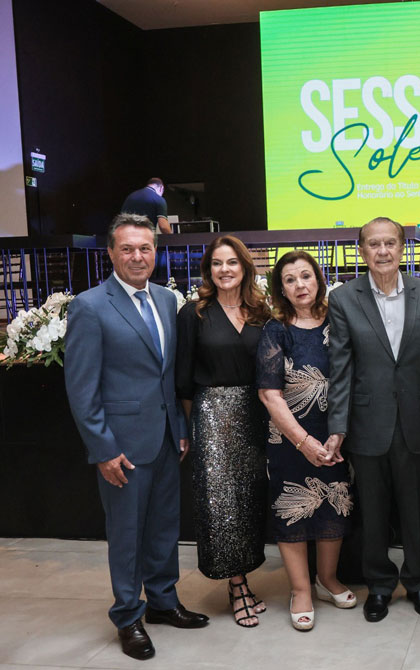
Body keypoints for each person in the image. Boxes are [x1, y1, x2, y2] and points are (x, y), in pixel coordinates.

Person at [64, 213, 208, 661]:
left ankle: (163, 602)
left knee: (164, 527)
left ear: (155, 251)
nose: (137, 256)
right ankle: (128, 615)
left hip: (165, 438)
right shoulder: (90, 306)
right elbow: (81, 389)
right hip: (122, 446)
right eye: (127, 248)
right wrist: (103, 449)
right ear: (110, 253)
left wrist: (179, 428)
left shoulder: (166, 299)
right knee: (127, 535)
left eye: (145, 248)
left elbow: (169, 377)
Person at [326, 217, 420, 623]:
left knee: (416, 509)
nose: (382, 251)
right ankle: (378, 584)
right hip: (366, 422)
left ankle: (417, 581)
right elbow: (340, 368)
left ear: (402, 248)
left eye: (390, 243)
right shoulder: (344, 298)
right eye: (374, 244)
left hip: (417, 418)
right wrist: (338, 427)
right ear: (362, 251)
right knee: (373, 512)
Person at [257, 251, 356, 632]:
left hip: (337, 434)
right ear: (281, 289)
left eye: (305, 276)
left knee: (336, 503)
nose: (300, 285)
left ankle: (327, 580)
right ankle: (300, 590)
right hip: (289, 439)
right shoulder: (276, 330)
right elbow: (270, 395)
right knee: (292, 511)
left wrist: (336, 434)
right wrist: (304, 442)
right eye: (290, 279)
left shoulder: (338, 322)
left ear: (318, 279)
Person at [176, 235, 270, 627]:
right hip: (212, 416)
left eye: (232, 262)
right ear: (208, 270)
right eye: (217, 263)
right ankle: (237, 585)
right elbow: (183, 378)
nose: (224, 269)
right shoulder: (193, 314)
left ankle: (245, 573)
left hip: (256, 415)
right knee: (222, 504)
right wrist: (195, 426)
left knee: (249, 500)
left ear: (245, 267)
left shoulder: (261, 312)